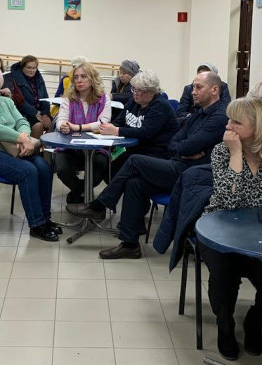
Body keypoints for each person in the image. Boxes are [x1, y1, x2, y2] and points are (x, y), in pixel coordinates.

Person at [67, 71, 229, 260]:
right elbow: (175, 142)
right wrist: (183, 150)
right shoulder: (198, 113)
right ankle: (130, 245)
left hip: (193, 174)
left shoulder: (219, 117)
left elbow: (183, 145)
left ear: (215, 90)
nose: (193, 91)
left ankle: (99, 205)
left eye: (198, 87)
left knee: (134, 160)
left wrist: (183, 149)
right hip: (179, 164)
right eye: (193, 87)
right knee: (134, 183)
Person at [200, 96, 262, 359]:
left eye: (236, 121)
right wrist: (236, 154)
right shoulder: (222, 150)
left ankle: (254, 323)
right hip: (221, 228)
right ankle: (225, 327)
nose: (228, 126)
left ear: (259, 126)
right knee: (223, 277)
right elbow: (229, 201)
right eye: (229, 119)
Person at [0, 65, 59, 242]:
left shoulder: (7, 102)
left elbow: (21, 120)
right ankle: (37, 224)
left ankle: (45, 218)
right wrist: (22, 139)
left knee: (43, 166)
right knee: (28, 171)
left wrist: (23, 136)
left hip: (12, 149)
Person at [98, 69, 178, 175]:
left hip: (155, 152)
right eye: (134, 89)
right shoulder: (133, 101)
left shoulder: (160, 106)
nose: (136, 94)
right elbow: (119, 121)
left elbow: (145, 132)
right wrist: (108, 127)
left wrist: (116, 130)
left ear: (152, 92)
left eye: (140, 91)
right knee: (106, 169)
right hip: (134, 149)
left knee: (117, 172)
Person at [55, 62, 112, 204]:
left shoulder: (104, 98)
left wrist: (78, 127)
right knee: (62, 169)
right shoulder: (68, 98)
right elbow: (60, 119)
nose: (79, 80)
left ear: (92, 78)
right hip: (70, 146)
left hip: (96, 148)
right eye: (76, 77)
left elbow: (103, 123)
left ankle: (79, 193)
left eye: (84, 76)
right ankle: (80, 191)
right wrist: (63, 126)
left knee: (99, 167)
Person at [9, 55, 51, 138]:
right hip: (24, 113)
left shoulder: (39, 79)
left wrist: (45, 114)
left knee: (54, 124)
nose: (32, 70)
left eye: (34, 68)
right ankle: (33, 146)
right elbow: (20, 102)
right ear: (22, 67)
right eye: (29, 68)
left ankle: (45, 146)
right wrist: (35, 113)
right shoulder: (16, 79)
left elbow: (46, 98)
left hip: (39, 112)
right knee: (38, 125)